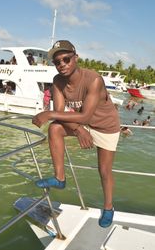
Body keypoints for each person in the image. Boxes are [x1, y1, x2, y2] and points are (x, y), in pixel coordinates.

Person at [32, 40, 120, 228]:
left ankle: (109, 207)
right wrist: (79, 130)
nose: (62, 64)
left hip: (106, 126)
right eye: (57, 62)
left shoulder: (94, 79)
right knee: (55, 128)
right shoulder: (57, 81)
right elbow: (63, 113)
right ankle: (60, 178)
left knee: (104, 171)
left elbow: (86, 114)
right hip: (82, 124)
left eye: (66, 59)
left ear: (76, 58)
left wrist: (48, 113)